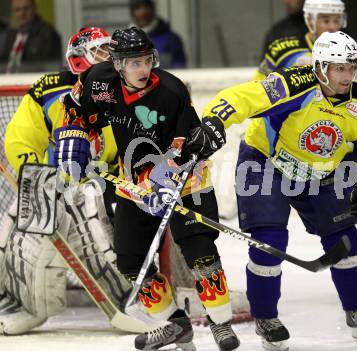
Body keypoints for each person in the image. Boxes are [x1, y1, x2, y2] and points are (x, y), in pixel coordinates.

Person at [184, 31, 357, 349]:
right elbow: (242, 97)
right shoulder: (292, 84)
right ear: (321, 67)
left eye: (351, 68)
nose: (347, 76)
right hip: (264, 162)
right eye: (339, 68)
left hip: (320, 170)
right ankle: (266, 316)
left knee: (345, 240)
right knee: (270, 241)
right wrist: (214, 120)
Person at [53, 26, 239, 351]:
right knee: (129, 260)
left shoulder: (171, 90)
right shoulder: (98, 81)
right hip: (134, 182)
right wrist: (74, 134)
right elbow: (77, 108)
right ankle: (175, 325)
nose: (144, 69)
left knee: (200, 253)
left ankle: (220, 324)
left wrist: (164, 180)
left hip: (184, 179)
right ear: (118, 64)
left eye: (147, 60)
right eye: (135, 63)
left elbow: (184, 146)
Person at [255, 0, 357, 296]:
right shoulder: (284, 50)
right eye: (325, 20)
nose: (331, 26)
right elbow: (261, 88)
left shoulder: (351, 50)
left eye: (336, 20)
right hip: (301, 146)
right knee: (331, 212)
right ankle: (354, 276)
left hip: (346, 141)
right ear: (309, 20)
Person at [0, 27, 127, 335]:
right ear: (78, 59)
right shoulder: (49, 91)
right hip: (55, 183)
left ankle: (128, 294)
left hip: (106, 182)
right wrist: (36, 179)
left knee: (97, 217)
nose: (109, 57)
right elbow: (20, 139)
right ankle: (24, 303)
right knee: (14, 225)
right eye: (100, 51)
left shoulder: (126, 89)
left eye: (110, 51)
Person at [0, 0, 62, 73]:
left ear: (35, 9)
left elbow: (49, 66)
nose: (22, 14)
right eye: (17, 10)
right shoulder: (11, 34)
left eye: (26, 9)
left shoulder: (48, 34)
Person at [129, 0, 187, 69]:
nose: (143, 12)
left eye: (146, 7)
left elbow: (180, 69)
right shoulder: (125, 42)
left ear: (153, 10)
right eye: (137, 8)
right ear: (132, 12)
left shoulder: (172, 40)